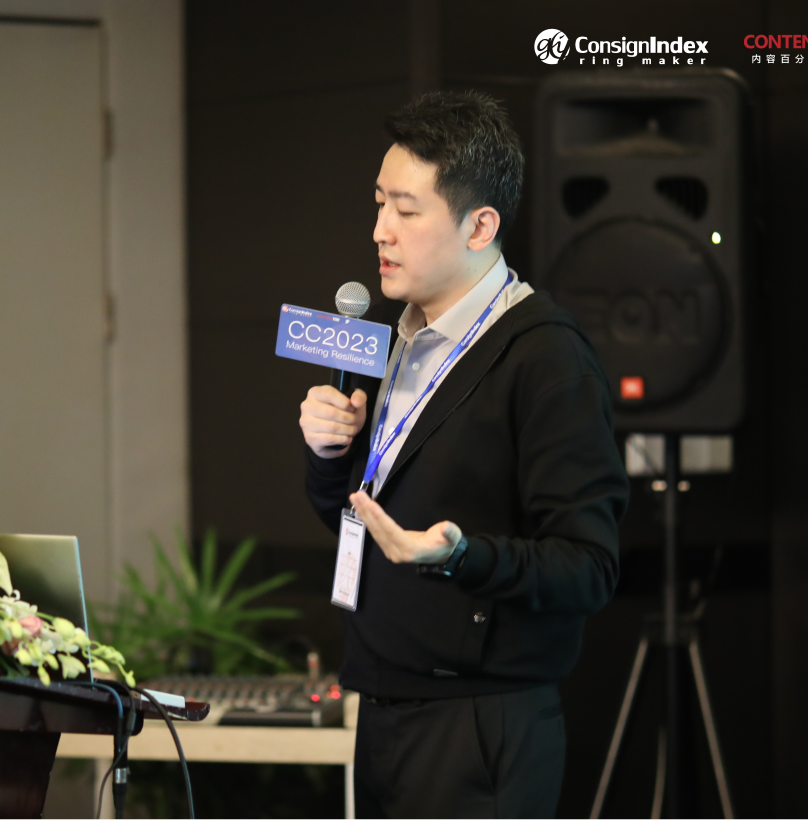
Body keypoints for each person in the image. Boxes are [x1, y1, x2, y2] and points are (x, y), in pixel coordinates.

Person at [299, 91, 629, 819]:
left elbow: (589, 565)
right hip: (381, 705)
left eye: (406, 210)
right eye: (378, 203)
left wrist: (460, 556)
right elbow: (358, 522)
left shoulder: (546, 357)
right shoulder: (394, 340)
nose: (380, 230)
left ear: (481, 226)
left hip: (480, 723)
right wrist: (328, 456)